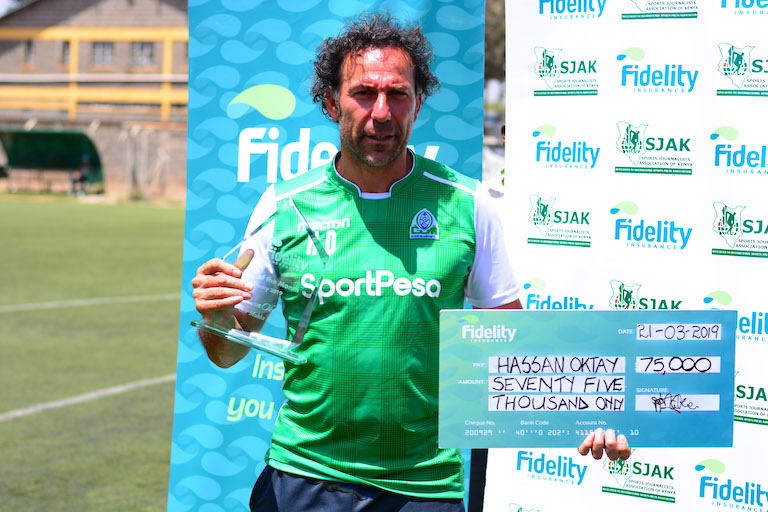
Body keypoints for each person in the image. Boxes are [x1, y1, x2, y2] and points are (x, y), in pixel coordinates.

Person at [192, 13, 629, 512]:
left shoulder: (467, 204)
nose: (381, 112)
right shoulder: (284, 205)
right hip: (305, 475)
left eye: (397, 94)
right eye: (363, 93)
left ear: (418, 103)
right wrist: (218, 317)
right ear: (332, 103)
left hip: (425, 487)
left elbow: (514, 353)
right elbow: (226, 352)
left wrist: (590, 413)